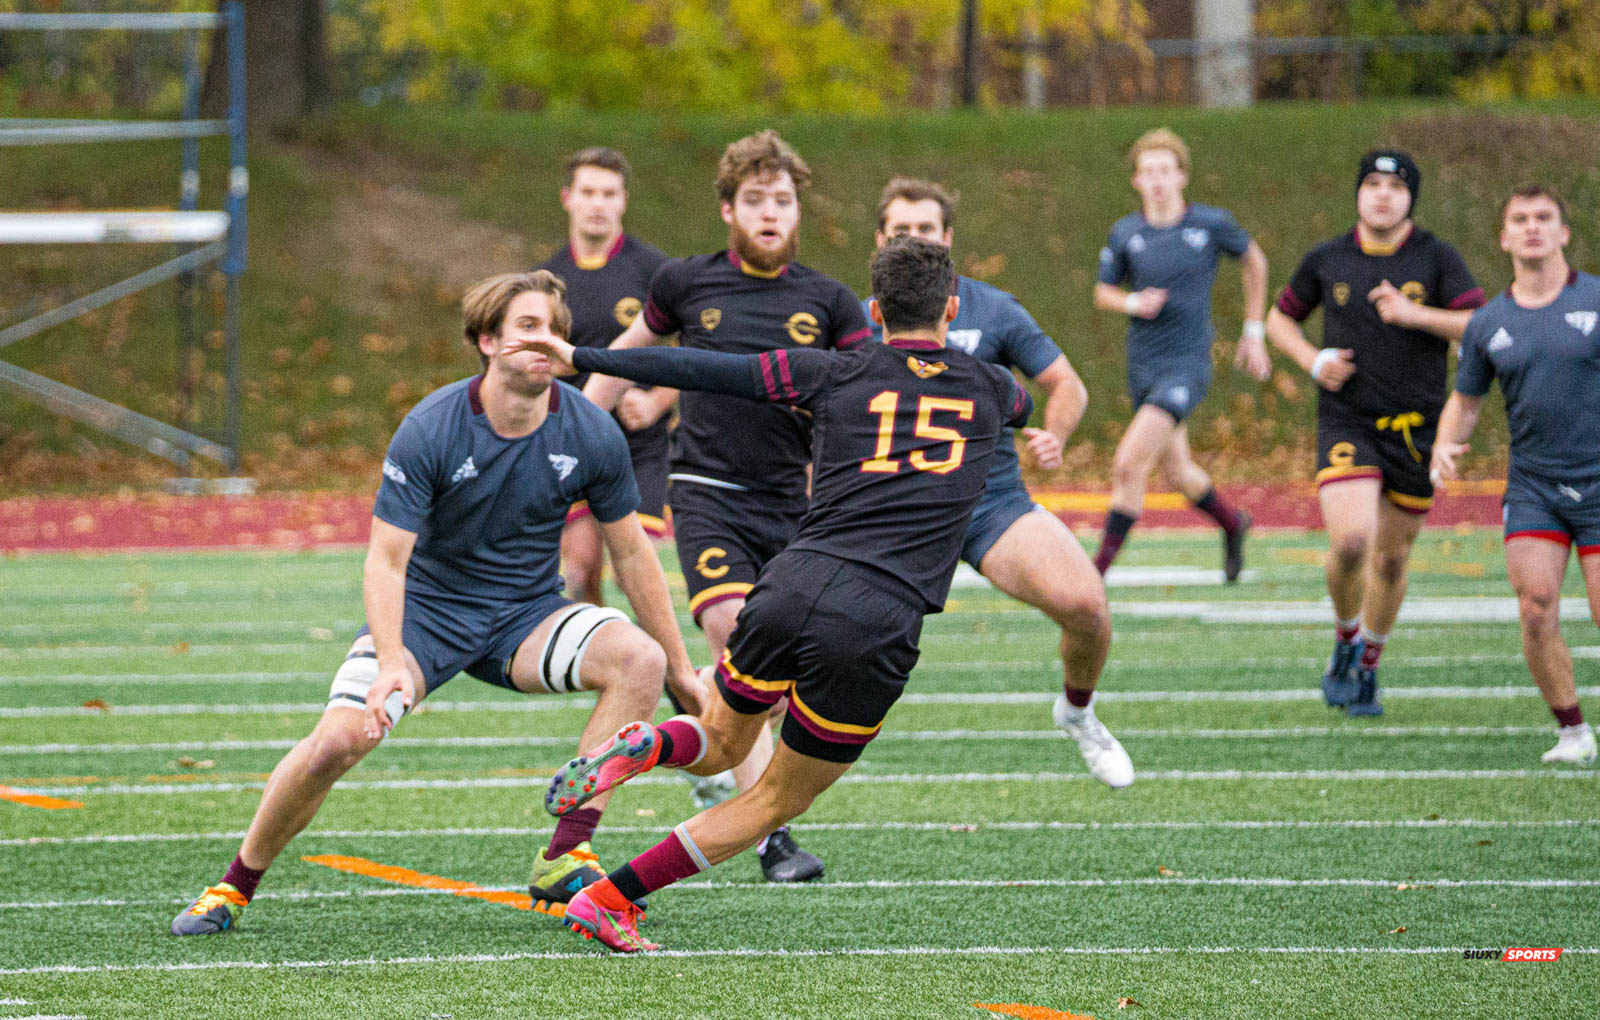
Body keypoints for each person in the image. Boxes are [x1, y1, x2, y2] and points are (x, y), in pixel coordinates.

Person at [524, 237, 1033, 953]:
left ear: (876, 310)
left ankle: (644, 745)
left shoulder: (829, 371)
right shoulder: (991, 387)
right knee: (775, 800)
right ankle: (609, 899)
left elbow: (694, 367)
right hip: (876, 618)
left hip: (790, 583)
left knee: (725, 740)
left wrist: (584, 358)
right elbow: (1025, 399)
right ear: (951, 306)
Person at [169, 271, 700, 935]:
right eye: (528, 328)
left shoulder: (590, 431)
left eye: (556, 331)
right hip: (428, 615)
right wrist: (392, 661)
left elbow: (632, 555)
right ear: (487, 341)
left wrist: (680, 666)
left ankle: (566, 854)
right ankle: (233, 884)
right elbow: (386, 562)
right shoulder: (432, 426)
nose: (547, 342)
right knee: (339, 741)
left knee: (640, 661)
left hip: (525, 616)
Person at [580, 130, 871, 882]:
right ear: (727, 209)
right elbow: (630, 353)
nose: (770, 213)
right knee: (735, 636)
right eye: (755, 200)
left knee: (773, 682)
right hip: (708, 493)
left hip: (795, 504)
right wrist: (573, 438)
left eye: (783, 200)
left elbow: (871, 396)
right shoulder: (688, 283)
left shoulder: (829, 301)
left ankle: (706, 751)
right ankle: (771, 840)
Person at [867, 177, 1126, 786]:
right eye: (900, 231)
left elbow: (1066, 383)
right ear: (879, 240)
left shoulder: (993, 308)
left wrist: (1053, 436)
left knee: (1087, 606)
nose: (913, 240)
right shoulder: (857, 319)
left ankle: (1078, 711)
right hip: (888, 509)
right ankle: (737, 761)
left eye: (925, 230)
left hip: (988, 503)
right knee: (805, 637)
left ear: (948, 240)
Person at [1267, 150, 1486, 715]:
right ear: (1358, 193)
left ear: (1411, 196)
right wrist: (1312, 362)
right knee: (1350, 542)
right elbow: (1279, 318)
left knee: (1390, 561)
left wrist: (1417, 317)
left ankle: (1368, 664)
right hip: (1348, 419)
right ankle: (1344, 638)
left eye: (1395, 185)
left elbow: (1481, 323)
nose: (1382, 194)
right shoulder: (1328, 258)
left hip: (1418, 429)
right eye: (1372, 183)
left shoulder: (1437, 259)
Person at [1432, 184, 1599, 764]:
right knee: (1535, 604)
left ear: (1563, 233)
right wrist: (1444, 446)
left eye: (1544, 217)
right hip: (1535, 487)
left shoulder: (1597, 302)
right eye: (1520, 218)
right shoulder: (1487, 323)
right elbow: (1467, 401)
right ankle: (1573, 731)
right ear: (1504, 236)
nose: (1532, 226)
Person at [1091, 128, 1270, 580]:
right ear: (1136, 180)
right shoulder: (1126, 232)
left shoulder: (1209, 224)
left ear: (1182, 176)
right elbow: (1103, 292)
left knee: (1129, 463)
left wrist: (1253, 329)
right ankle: (1233, 524)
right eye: (1148, 172)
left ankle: (1094, 573)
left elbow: (1255, 260)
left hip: (1187, 364)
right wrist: (1133, 302)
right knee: (1178, 473)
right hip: (1143, 363)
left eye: (1165, 171)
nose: (1157, 180)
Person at [537, 147, 674, 606]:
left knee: (635, 577)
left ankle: (664, 665)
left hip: (640, 446)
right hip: (573, 443)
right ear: (567, 199)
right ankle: (607, 671)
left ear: (623, 201)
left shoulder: (654, 271)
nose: (598, 203)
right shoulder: (545, 282)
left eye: (608, 193)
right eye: (588, 192)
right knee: (578, 575)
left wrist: (656, 401)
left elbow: (696, 349)